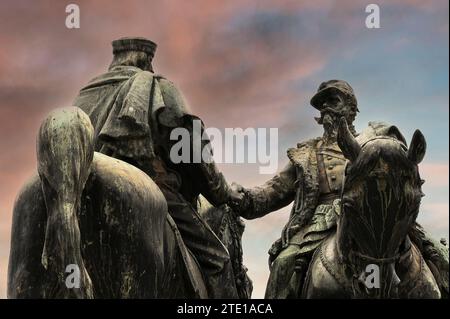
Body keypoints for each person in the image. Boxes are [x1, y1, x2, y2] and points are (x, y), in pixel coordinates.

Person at [230, 80, 449, 298]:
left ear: (352, 109)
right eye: (321, 103)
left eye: (332, 100)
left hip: (374, 215)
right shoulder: (306, 154)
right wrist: (242, 197)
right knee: (283, 263)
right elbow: (272, 192)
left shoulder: (371, 143)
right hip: (319, 223)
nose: (325, 107)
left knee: (439, 256)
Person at [73, 37, 242, 298]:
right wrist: (221, 192)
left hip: (78, 190)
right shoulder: (156, 85)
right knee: (219, 260)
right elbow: (191, 146)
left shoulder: (85, 93)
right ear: (146, 61)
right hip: (153, 185)